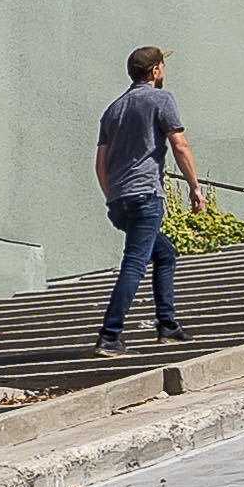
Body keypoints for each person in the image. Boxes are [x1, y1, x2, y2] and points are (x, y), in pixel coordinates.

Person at [93, 46, 198, 349]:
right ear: (155, 71)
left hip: (120, 200)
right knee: (135, 263)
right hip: (146, 195)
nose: (164, 71)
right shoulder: (160, 99)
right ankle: (110, 335)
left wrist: (112, 196)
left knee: (164, 253)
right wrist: (194, 186)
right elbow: (180, 145)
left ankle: (168, 325)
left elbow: (101, 162)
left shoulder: (113, 110)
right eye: (163, 66)